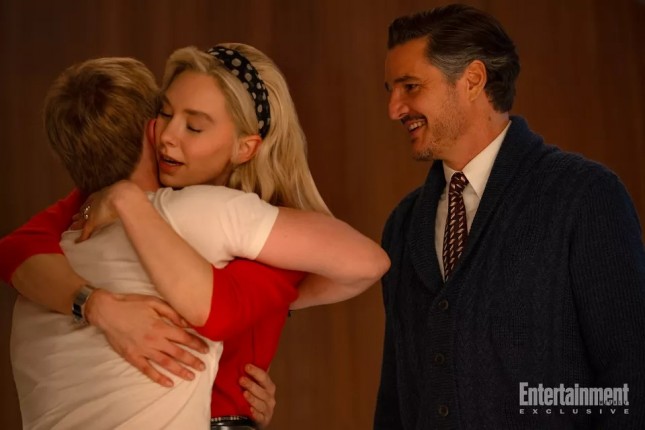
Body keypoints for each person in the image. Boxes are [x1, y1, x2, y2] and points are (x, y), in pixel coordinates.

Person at [6, 45, 389, 429]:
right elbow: (15, 248)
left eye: (194, 126)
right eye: (165, 114)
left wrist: (280, 302)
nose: (167, 137)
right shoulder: (106, 210)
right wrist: (97, 304)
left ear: (245, 147)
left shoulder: (235, 223)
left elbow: (221, 311)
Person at [376, 4, 645, 429]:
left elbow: (631, 378)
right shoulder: (403, 225)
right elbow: (395, 399)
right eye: (391, 90)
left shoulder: (584, 196)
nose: (394, 108)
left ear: (473, 80)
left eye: (410, 86)